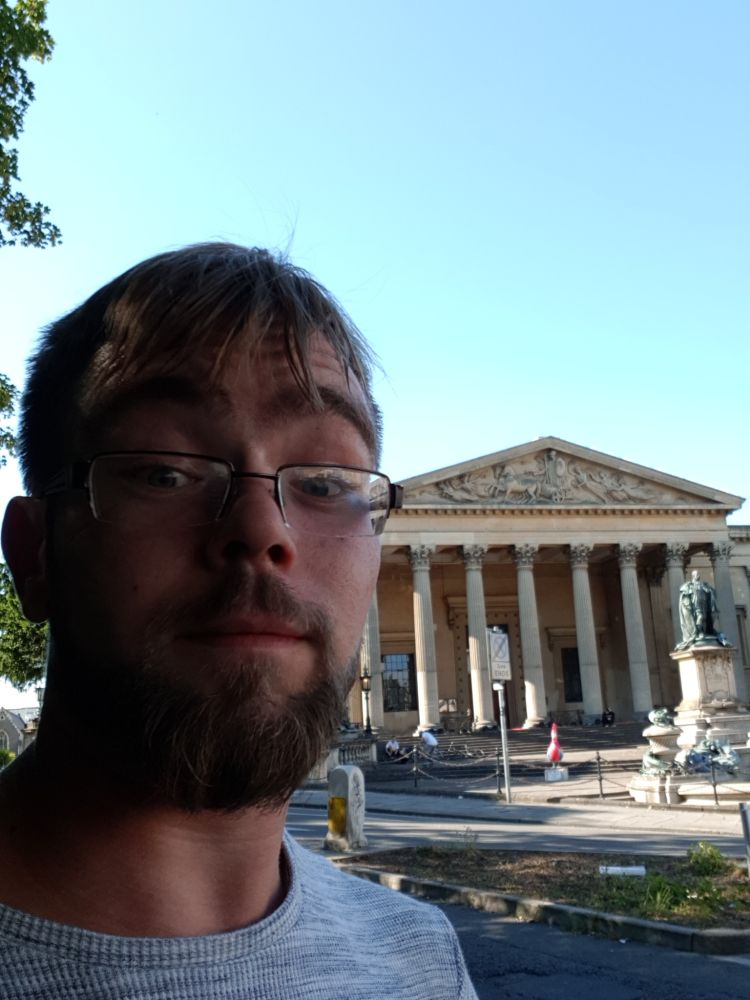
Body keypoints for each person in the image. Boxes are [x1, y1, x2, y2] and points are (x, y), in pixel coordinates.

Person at [0, 244, 478, 999]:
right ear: (35, 555)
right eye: (165, 470)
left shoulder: (420, 960)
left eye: (323, 481)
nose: (263, 529)